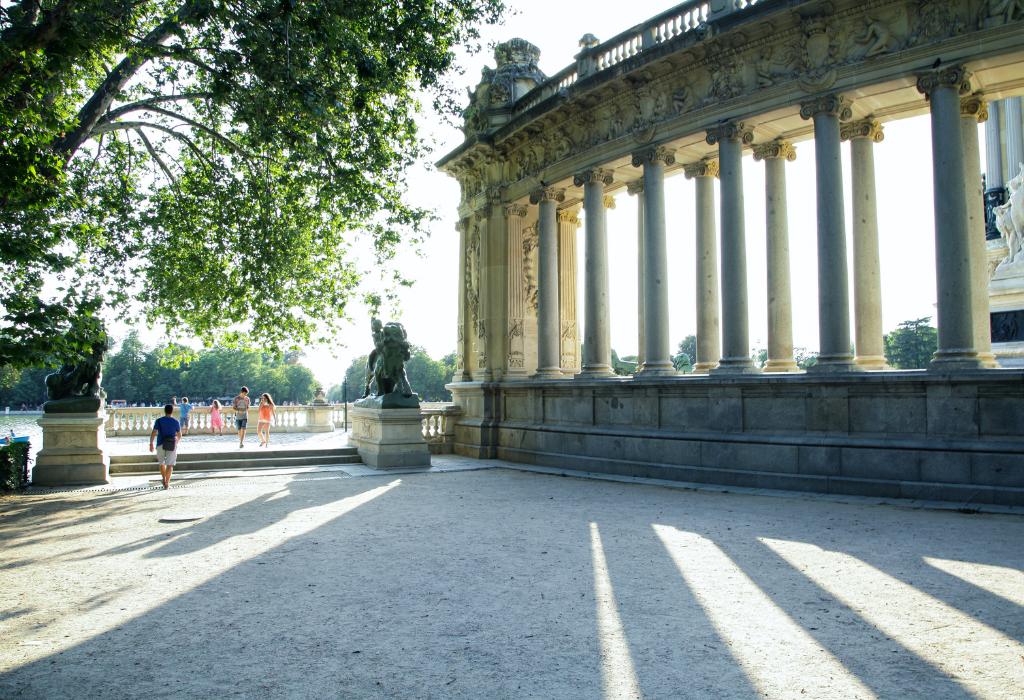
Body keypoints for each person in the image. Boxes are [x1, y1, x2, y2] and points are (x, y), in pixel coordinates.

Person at [149, 404, 181, 489]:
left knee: (161, 463)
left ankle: (163, 479)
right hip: (171, 444)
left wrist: (151, 443)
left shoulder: (159, 421)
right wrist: (176, 442)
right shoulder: (175, 421)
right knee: (170, 465)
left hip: (160, 444)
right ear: (172, 411)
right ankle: (167, 482)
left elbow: (154, 432)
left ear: (165, 411)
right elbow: (179, 435)